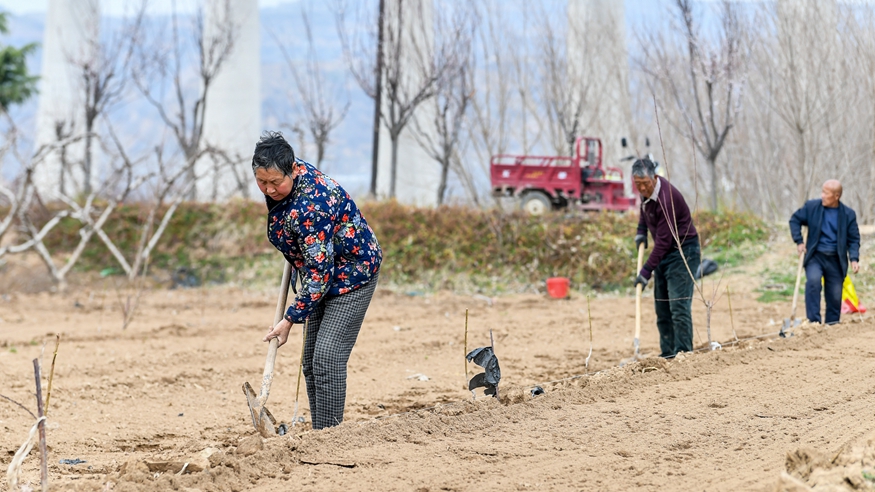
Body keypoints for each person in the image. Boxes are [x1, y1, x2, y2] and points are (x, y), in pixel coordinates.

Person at [253, 131, 382, 430]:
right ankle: (320, 432)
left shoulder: (312, 207)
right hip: (321, 273)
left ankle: (330, 436)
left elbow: (320, 273)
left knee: (327, 356)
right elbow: (312, 260)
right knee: (311, 363)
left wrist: (289, 319)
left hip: (352, 274)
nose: (269, 189)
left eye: (276, 182)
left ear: (294, 170)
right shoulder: (285, 178)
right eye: (263, 182)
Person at [631, 159, 700, 359]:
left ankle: (684, 355)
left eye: (645, 183)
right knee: (662, 307)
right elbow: (645, 211)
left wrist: (645, 273)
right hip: (665, 252)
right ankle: (668, 354)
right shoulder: (645, 193)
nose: (642, 188)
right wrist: (641, 231)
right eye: (638, 184)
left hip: (683, 251)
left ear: (655, 177)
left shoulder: (666, 198)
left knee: (678, 306)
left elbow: (663, 242)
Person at [789, 179, 860, 325]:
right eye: (822, 191)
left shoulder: (848, 214)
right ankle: (814, 323)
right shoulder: (811, 207)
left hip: (836, 259)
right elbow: (794, 220)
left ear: (836, 196)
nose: (822, 195)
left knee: (835, 295)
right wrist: (799, 241)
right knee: (813, 283)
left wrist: (854, 259)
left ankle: (832, 326)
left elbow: (853, 239)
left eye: (826, 193)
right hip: (815, 256)